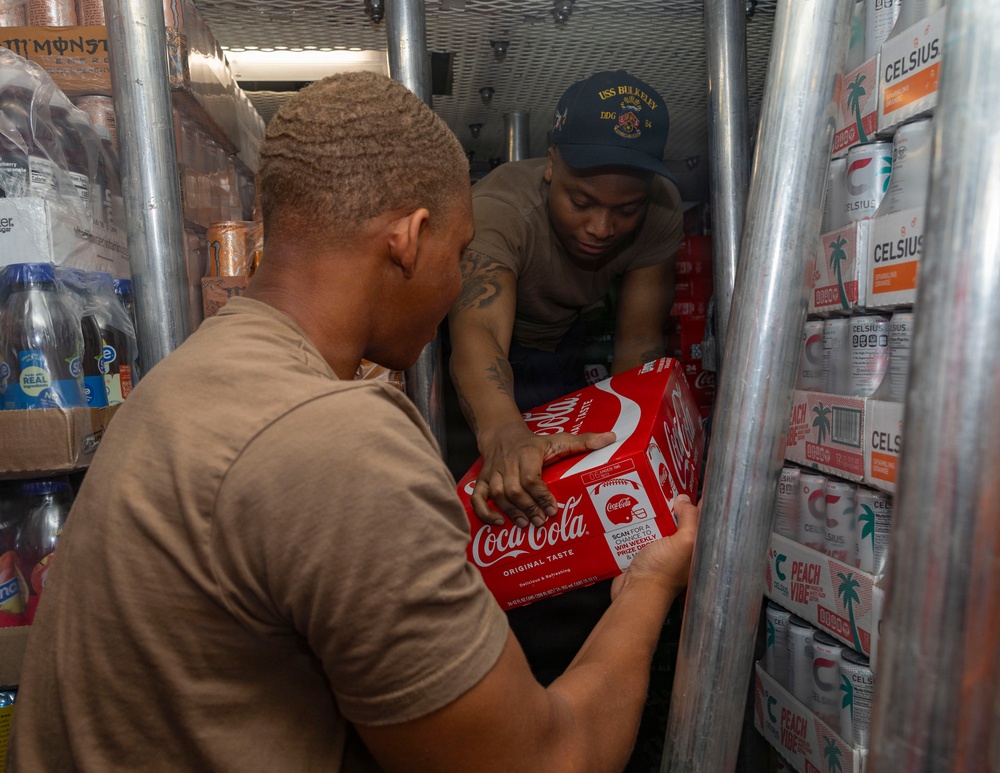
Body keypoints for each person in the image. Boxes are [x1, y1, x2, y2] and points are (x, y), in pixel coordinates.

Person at [8, 71, 699, 772]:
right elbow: (547, 761)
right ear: (408, 238)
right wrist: (647, 585)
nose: (461, 284)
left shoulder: (190, 377)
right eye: (459, 256)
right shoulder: (339, 444)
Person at [447, 70, 686, 685]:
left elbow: (637, 340)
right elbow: (477, 336)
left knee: (574, 528)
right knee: (492, 521)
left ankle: (570, 688)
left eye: (622, 210)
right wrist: (502, 430)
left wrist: (638, 451)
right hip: (487, 366)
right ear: (551, 164)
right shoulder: (501, 208)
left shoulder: (659, 216)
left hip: (565, 361)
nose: (601, 229)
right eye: (582, 202)